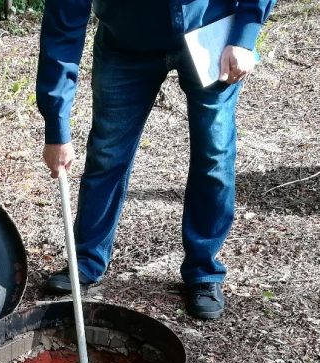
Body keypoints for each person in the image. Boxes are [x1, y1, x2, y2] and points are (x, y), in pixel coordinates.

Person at [36, 0, 276, 320]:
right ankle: (86, 261)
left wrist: (245, 35)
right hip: (126, 45)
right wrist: (57, 128)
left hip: (211, 33)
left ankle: (203, 271)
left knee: (214, 154)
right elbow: (63, 26)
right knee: (107, 154)